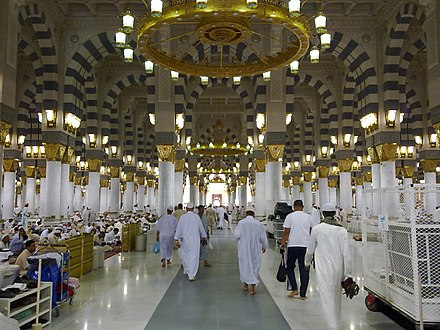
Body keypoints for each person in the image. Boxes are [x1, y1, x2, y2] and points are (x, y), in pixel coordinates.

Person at [305, 203, 351, 330]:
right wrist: (348, 274)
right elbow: (347, 255)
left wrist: (306, 263)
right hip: (339, 269)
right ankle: (336, 323)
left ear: (323, 214)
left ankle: (334, 327)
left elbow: (310, 250)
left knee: (327, 298)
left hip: (324, 269)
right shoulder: (342, 230)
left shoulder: (317, 229)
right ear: (334, 214)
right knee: (336, 298)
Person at [280, 200, 312, 299]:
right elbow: (312, 231)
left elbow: (286, 232)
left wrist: (282, 244)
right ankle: (303, 294)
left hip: (292, 246)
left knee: (290, 267)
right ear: (303, 207)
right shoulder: (308, 217)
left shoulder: (290, 216)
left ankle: (294, 289)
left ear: (294, 207)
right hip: (305, 246)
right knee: (304, 269)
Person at [234, 205, 268, 295]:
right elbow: (262, 237)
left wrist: (240, 242)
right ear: (254, 214)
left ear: (246, 213)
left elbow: (237, 235)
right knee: (254, 265)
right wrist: (264, 246)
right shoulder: (258, 224)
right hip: (255, 248)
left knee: (245, 265)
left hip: (244, 248)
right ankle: (252, 288)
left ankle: (245, 285)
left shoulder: (241, 223)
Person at [174, 203, 207, 281]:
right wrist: (204, 236)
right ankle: (191, 274)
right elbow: (201, 228)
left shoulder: (183, 217)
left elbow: (179, 228)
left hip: (185, 240)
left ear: (186, 208)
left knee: (185, 255)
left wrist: (176, 238)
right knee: (194, 257)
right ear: (192, 209)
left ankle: (187, 270)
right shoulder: (196, 217)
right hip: (194, 240)